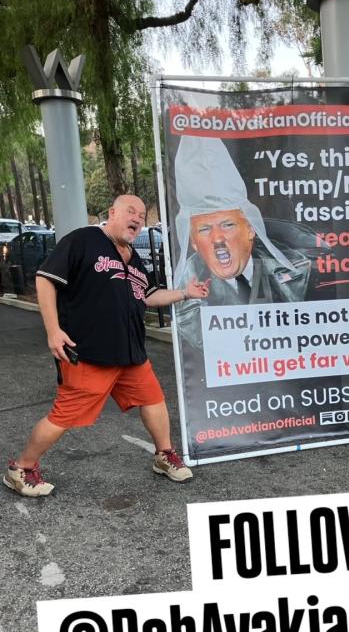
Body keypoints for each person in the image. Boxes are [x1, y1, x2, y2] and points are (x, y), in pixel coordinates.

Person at [3, 195, 207, 497]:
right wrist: (53, 330)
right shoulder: (84, 240)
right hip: (89, 352)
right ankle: (20, 468)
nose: (136, 218)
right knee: (63, 415)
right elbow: (46, 279)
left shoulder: (133, 259)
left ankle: (164, 455)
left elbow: (149, 296)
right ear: (112, 213)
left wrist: (185, 294)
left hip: (131, 354)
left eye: (140, 214)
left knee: (154, 401)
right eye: (129, 211)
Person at [172, 135, 310, 348]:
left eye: (227, 224)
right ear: (193, 241)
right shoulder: (185, 301)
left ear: (250, 229)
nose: (217, 238)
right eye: (205, 229)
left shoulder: (300, 270)